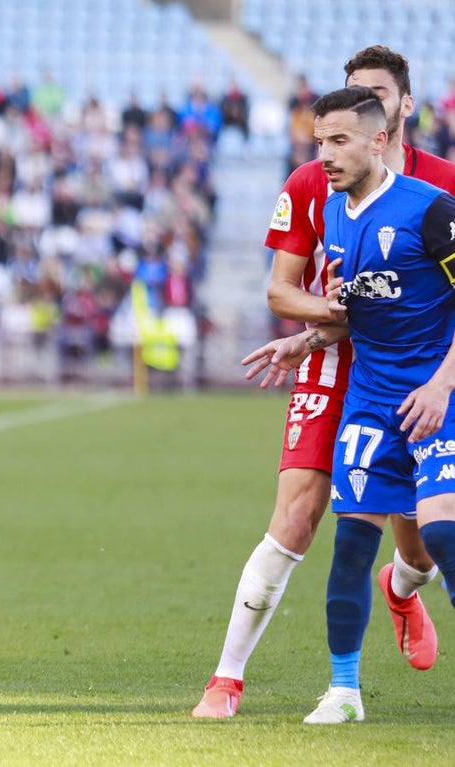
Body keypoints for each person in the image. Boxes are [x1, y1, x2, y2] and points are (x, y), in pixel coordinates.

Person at [192, 46, 455, 719]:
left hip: (423, 372)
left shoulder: (438, 193)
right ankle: (236, 679)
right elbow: (292, 290)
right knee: (307, 519)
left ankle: (402, 586)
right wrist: (315, 325)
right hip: (347, 363)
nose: (333, 145)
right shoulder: (320, 186)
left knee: (426, 542)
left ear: (397, 109)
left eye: (373, 96)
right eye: (347, 99)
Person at [298, 85, 455, 723]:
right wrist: (304, 337)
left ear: (378, 139)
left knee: (443, 533)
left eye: (339, 141)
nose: (326, 156)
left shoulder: (432, 210)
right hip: (371, 400)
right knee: (352, 549)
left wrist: (443, 383)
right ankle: (343, 691)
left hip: (438, 395)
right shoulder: (335, 212)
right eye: (320, 143)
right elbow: (362, 311)